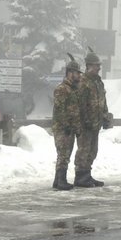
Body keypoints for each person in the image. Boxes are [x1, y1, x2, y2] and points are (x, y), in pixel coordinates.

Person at [77, 50, 114, 187]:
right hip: (85, 123)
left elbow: (103, 101)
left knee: (93, 150)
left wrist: (105, 116)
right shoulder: (83, 82)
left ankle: (87, 175)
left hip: (96, 122)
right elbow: (80, 103)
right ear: (89, 66)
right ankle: (80, 177)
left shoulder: (98, 82)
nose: (99, 68)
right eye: (96, 65)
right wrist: (85, 120)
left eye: (99, 65)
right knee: (84, 150)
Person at [51, 59, 87, 191]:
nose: (79, 76)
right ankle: (61, 180)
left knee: (66, 153)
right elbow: (60, 109)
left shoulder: (73, 90)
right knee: (63, 154)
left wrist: (76, 127)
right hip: (62, 128)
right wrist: (66, 125)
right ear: (70, 73)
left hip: (70, 128)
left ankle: (58, 180)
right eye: (77, 73)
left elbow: (74, 111)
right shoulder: (62, 89)